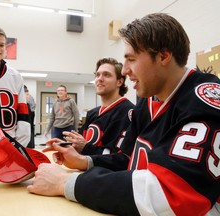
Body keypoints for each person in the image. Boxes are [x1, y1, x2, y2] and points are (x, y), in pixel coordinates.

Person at [27, 13, 220, 215]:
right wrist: (85, 161)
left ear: (163, 56)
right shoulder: (147, 102)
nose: (125, 70)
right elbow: (127, 160)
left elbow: (171, 194)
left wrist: (65, 182)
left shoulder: (204, 101)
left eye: (132, 59)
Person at [63, 57, 134, 155]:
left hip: (105, 171)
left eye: (106, 75)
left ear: (119, 82)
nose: (100, 79)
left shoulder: (128, 112)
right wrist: (64, 147)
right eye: (97, 75)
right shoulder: (92, 113)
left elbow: (118, 158)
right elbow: (80, 145)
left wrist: (85, 148)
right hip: (82, 169)